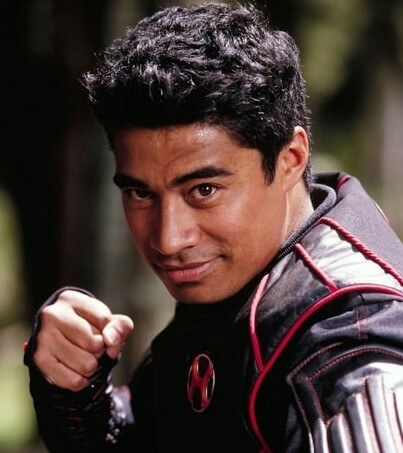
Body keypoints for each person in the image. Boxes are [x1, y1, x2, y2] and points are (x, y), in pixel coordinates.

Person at [23, 2, 403, 452]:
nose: (168, 239)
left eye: (204, 190)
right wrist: (74, 390)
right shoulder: (253, 274)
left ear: (291, 159)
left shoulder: (349, 342)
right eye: (140, 193)